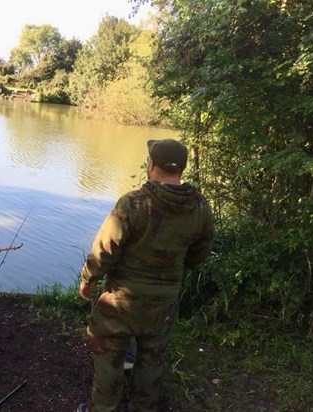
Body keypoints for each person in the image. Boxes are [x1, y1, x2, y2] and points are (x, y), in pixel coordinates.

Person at [78, 138, 214, 412]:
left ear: (151, 165)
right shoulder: (200, 207)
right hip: (164, 302)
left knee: (109, 355)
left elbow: (104, 250)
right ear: (181, 169)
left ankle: (104, 408)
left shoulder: (133, 203)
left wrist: (88, 278)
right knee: (152, 358)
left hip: (121, 300)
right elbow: (199, 255)